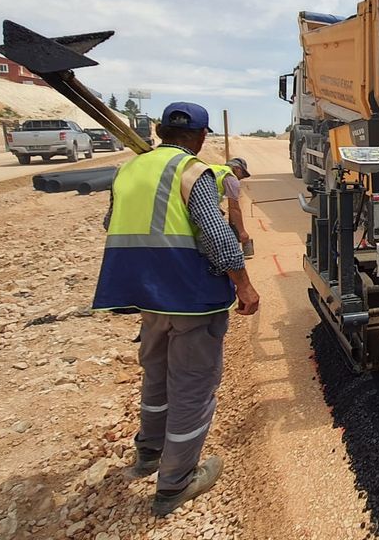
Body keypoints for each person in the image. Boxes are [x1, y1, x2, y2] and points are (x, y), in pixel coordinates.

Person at [92, 101, 261, 517]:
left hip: (146, 295)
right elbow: (216, 238)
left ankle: (148, 454)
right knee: (192, 386)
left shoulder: (130, 169)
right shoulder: (191, 171)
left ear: (160, 130)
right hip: (189, 296)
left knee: (157, 376)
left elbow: (109, 223)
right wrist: (245, 285)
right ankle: (175, 483)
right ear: (201, 137)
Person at [211, 157, 254, 257]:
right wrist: (242, 232)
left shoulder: (214, 168)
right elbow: (234, 208)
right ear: (237, 168)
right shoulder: (231, 178)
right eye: (242, 175)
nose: (241, 179)